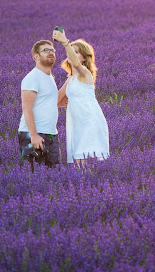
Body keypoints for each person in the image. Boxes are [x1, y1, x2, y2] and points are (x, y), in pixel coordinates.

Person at [53, 29, 109, 166]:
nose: (71, 55)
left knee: (82, 160)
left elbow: (76, 64)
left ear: (84, 58)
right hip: (76, 124)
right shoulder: (70, 79)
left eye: (76, 52)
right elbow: (56, 100)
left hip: (89, 121)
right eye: (71, 52)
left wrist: (65, 42)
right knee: (79, 165)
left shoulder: (85, 73)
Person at [17, 40, 63, 169]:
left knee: (55, 174)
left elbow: (51, 101)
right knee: (33, 175)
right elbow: (27, 107)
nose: (50, 53)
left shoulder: (50, 78)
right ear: (36, 56)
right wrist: (33, 135)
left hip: (51, 133)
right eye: (45, 50)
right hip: (33, 134)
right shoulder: (32, 77)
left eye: (52, 50)